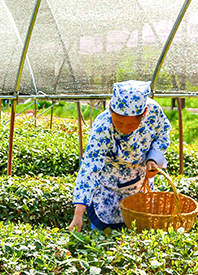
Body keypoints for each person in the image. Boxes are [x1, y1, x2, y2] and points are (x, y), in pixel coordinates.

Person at [68, 80, 172, 232]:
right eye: (119, 122)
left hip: (139, 187)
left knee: (137, 234)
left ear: (143, 114)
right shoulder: (103, 127)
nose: (124, 129)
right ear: (111, 111)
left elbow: (162, 134)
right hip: (107, 191)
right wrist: (78, 214)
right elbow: (90, 168)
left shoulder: (154, 112)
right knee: (103, 237)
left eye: (131, 125)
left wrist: (153, 159)